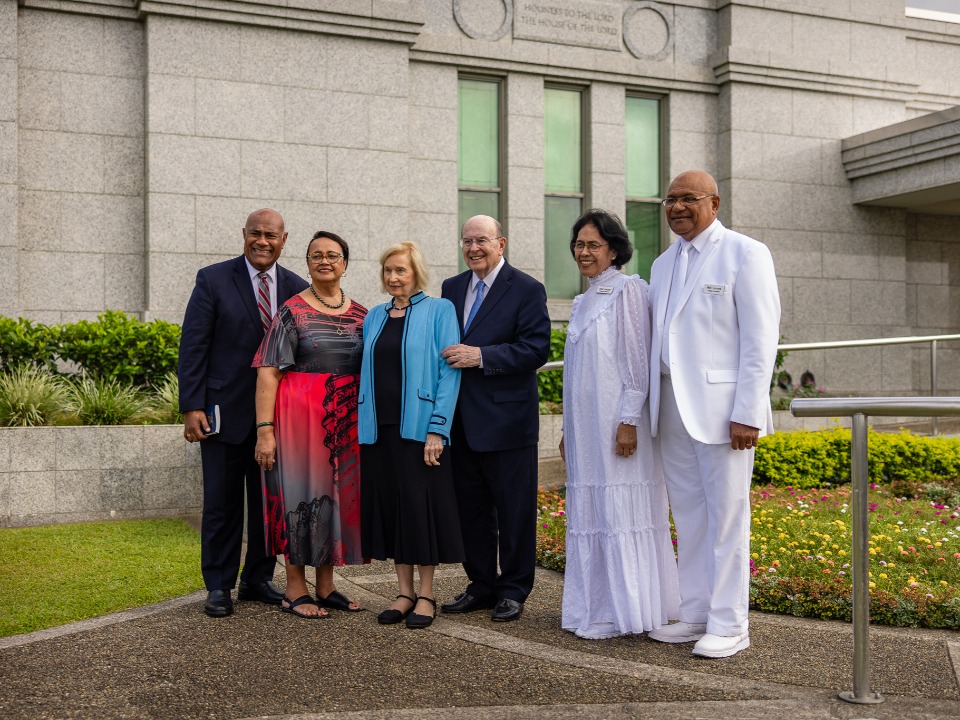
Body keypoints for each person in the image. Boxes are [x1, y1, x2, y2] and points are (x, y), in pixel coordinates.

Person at [648, 170, 781, 658]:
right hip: (671, 412)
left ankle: (731, 624)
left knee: (727, 518)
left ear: (715, 202)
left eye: (689, 199)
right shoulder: (663, 264)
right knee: (689, 517)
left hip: (724, 414)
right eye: (670, 200)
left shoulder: (745, 253)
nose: (677, 207)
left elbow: (760, 340)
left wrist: (748, 411)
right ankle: (697, 612)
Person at [178, 208, 308, 618]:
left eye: (271, 235)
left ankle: (256, 580)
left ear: (284, 240)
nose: (262, 241)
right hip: (222, 415)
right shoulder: (213, 279)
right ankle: (218, 585)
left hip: (277, 418)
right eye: (256, 233)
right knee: (221, 504)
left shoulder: (298, 287)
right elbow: (193, 346)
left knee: (268, 504)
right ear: (244, 235)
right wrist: (192, 406)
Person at [558, 209, 680, 640]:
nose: (584, 251)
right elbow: (576, 375)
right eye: (579, 244)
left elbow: (635, 363)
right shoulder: (583, 299)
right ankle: (597, 606)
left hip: (617, 425)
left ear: (613, 249)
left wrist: (629, 419)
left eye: (593, 244)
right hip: (585, 430)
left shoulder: (628, 291)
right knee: (592, 513)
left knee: (619, 511)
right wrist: (565, 431)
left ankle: (627, 609)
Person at [439, 215, 551, 623]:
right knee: (471, 509)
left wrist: (481, 356)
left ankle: (514, 589)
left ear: (501, 243)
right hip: (460, 422)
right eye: (467, 241)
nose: (473, 248)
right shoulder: (451, 288)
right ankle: (481, 584)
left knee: (514, 511)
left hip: (507, 423)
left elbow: (535, 349)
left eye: (482, 240)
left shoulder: (526, 288)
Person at [252, 231, 367, 619]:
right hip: (298, 420)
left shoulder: (364, 314)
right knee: (299, 498)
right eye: (316, 255)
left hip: (345, 422)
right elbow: (268, 373)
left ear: (345, 264)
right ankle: (294, 588)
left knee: (332, 498)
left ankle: (327, 585)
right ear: (307, 263)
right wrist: (264, 431)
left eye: (333, 255)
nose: (324, 261)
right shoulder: (291, 310)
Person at [358, 241, 463, 630]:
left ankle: (427, 595)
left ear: (416, 272)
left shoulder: (440, 310)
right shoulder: (374, 316)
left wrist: (438, 430)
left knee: (420, 512)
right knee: (394, 511)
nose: (393, 277)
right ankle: (403, 593)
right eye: (387, 270)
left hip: (419, 431)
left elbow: (450, 373)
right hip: (378, 430)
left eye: (400, 270)